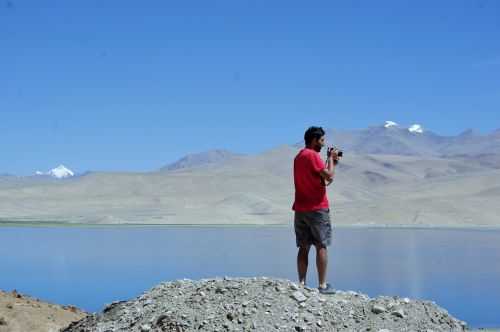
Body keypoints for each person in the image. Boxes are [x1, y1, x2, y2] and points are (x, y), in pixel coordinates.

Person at [292, 126, 339, 294]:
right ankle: (322, 285)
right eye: (321, 141)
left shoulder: (298, 157)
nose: (323, 144)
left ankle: (302, 284)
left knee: (303, 246)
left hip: (300, 208)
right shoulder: (312, 155)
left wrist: (327, 161)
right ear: (313, 140)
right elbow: (329, 176)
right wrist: (332, 160)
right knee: (321, 245)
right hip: (317, 209)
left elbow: (317, 177)